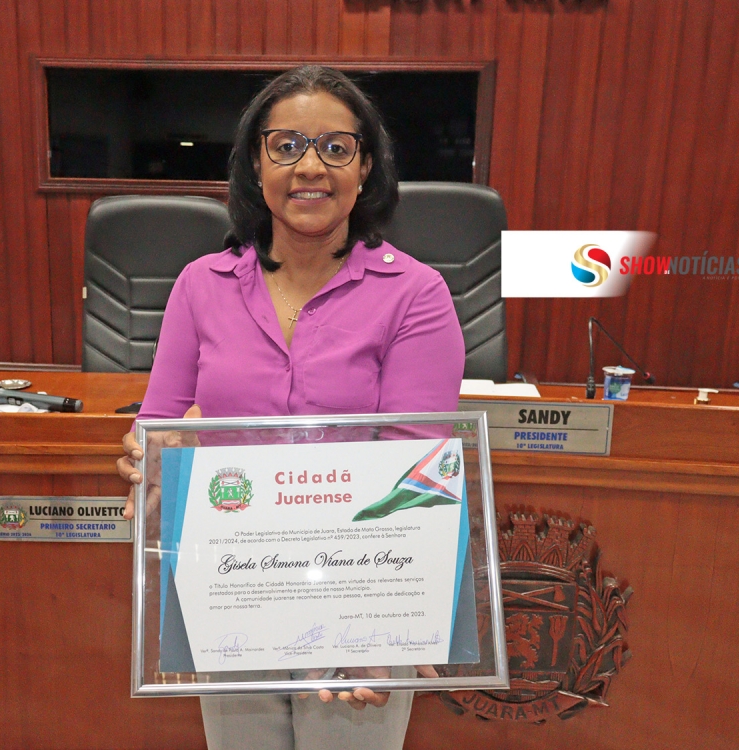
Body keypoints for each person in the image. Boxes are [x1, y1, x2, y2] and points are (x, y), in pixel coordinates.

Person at [117, 65, 465, 750]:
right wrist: (144, 456)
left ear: (366, 167)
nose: (311, 166)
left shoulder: (416, 296)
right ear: (256, 163)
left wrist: (370, 627)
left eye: (336, 147)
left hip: (364, 597)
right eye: (286, 146)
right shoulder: (200, 286)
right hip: (232, 590)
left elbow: (414, 477)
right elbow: (159, 424)